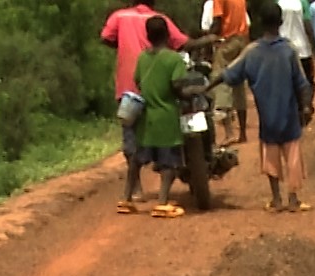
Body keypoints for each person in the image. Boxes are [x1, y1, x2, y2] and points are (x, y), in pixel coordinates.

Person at [218, 5, 315, 212]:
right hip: (289, 116)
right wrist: (306, 106)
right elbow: (302, 82)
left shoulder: (252, 51)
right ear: (280, 23)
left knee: (270, 156)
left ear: (261, 23)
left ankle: (276, 199)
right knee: (293, 156)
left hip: (267, 118)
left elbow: (229, 73)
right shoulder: (288, 50)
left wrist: (206, 87)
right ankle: (293, 199)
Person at [100, 0, 188, 212]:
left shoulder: (120, 18)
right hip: (164, 108)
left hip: (130, 94)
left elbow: (105, 38)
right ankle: (162, 201)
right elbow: (182, 44)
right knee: (168, 156)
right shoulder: (171, 53)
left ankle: (130, 195)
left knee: (135, 147)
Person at [130, 16, 189, 218]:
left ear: (147, 36)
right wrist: (186, 95)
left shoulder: (142, 58)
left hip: (145, 118)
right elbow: (177, 86)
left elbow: (138, 81)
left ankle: (126, 199)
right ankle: (162, 202)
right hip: (166, 117)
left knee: (137, 160)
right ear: (167, 35)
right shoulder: (174, 59)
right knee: (170, 163)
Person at [208, 0, 252, 145]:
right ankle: (243, 133)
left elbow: (218, 21)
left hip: (227, 41)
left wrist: (208, 38)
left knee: (220, 81)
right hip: (241, 40)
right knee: (239, 85)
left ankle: (228, 132)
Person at [276, 0, 315, 92]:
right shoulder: (303, 2)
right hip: (303, 49)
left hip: (283, 49)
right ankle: (307, 104)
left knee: (286, 83)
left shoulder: (277, 3)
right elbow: (308, 26)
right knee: (308, 80)